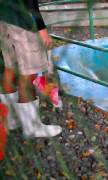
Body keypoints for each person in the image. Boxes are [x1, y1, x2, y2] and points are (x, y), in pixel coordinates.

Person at [0, 0, 62, 137]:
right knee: (28, 73)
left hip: (3, 17)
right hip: (22, 20)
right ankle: (31, 128)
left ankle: (11, 120)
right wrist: (41, 29)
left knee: (10, 68)